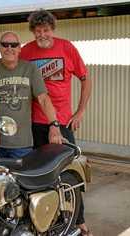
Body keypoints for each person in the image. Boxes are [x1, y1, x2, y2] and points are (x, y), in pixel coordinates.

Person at [20, 9, 92, 236]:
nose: (42, 34)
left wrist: (80, 111)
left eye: (46, 30)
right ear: (33, 31)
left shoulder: (66, 47)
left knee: (70, 172)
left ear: (53, 29)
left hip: (62, 122)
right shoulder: (25, 51)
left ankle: (78, 220)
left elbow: (85, 78)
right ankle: (41, 218)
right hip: (33, 123)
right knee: (35, 174)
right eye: (38, 30)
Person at [0, 31, 63, 158]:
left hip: (22, 144)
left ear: (20, 48)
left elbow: (43, 98)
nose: (9, 48)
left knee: (22, 177)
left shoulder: (30, 69)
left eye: (13, 45)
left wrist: (54, 125)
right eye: (5, 44)